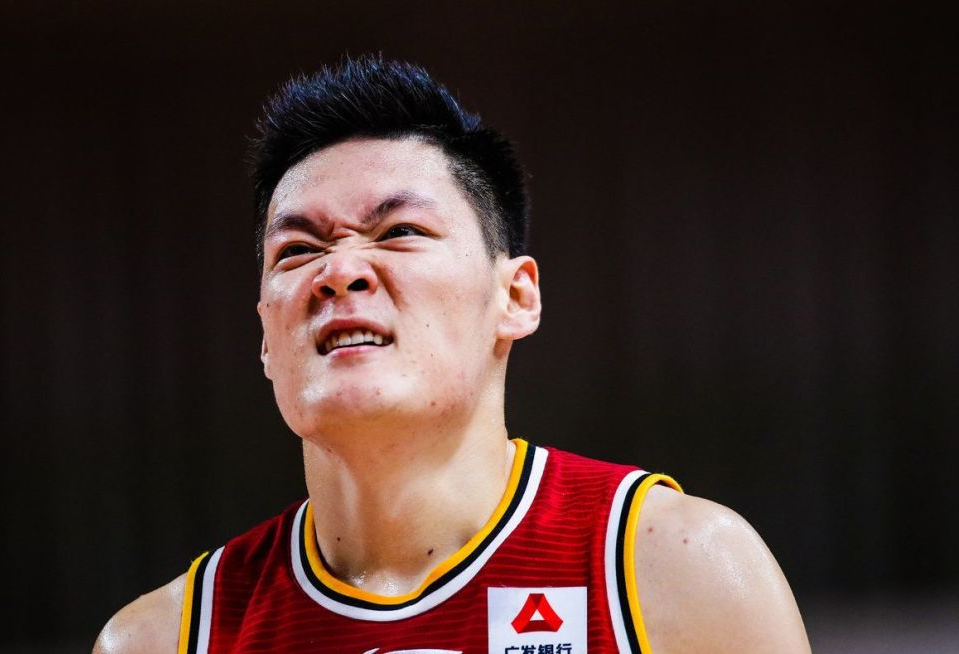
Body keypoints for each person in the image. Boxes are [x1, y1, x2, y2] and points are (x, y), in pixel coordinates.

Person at [94, 56, 810, 654]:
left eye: (398, 231)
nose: (339, 272)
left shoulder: (681, 574)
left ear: (515, 296)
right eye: (299, 250)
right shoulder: (163, 639)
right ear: (264, 338)